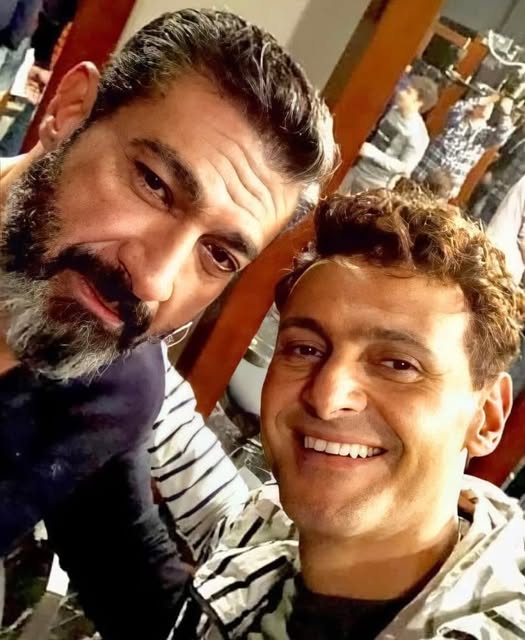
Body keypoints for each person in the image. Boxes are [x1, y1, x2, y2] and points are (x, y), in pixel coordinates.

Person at [0, 8, 336, 638]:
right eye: (155, 185)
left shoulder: (115, 383)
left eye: (218, 255)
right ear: (70, 110)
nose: (154, 281)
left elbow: (137, 584)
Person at [161, 188, 525, 639]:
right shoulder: (266, 528)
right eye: (305, 349)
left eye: (399, 365)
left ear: (486, 417)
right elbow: (210, 499)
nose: (327, 396)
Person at [339, 75, 438, 193]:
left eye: (408, 92)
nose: (401, 93)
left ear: (419, 102)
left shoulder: (418, 135)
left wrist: (373, 154)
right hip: (356, 170)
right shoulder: (392, 109)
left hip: (375, 185)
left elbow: (405, 168)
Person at [413, 94, 514, 198]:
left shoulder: (485, 135)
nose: (487, 107)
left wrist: (505, 114)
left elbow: (502, 136)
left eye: (490, 106)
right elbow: (457, 108)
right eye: (484, 105)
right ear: (474, 107)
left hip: (444, 187)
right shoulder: (457, 121)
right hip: (424, 171)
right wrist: (481, 100)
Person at [469, 122, 525, 224]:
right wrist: (492, 171)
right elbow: (506, 157)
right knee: (475, 214)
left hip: (503, 197)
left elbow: (513, 173)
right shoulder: (519, 138)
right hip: (496, 188)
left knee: (481, 221)